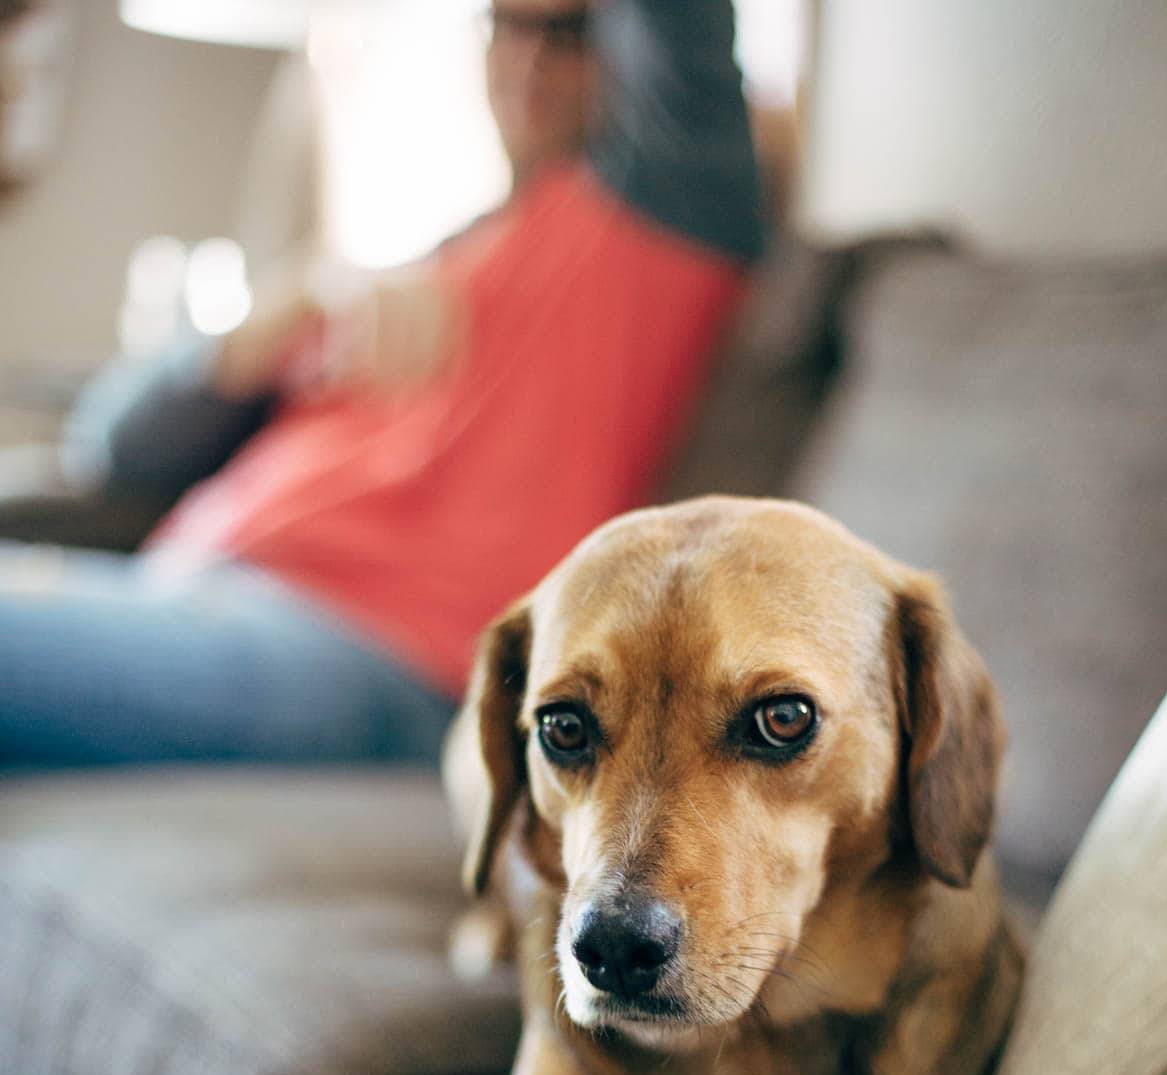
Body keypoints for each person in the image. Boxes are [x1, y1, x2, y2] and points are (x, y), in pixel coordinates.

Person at [0, 0, 763, 771]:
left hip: (370, 644)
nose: (528, 64)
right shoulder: (425, 268)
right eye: (510, 26)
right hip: (179, 588)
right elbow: (113, 448)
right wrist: (297, 294)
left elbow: (685, 32)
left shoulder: (660, 217)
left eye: (570, 37)